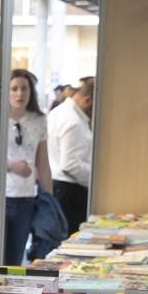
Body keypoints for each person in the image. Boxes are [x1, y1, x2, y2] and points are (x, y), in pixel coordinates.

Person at [0, 69, 53, 269]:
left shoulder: (39, 119)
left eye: (24, 88)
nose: (19, 94)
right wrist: (8, 164)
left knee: (14, 265)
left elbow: (44, 165)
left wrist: (50, 201)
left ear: (32, 92)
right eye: (14, 88)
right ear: (5, 91)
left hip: (26, 200)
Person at [47, 77, 94, 233]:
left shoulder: (59, 112)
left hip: (60, 186)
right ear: (88, 101)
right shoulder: (73, 121)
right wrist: (95, 180)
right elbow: (70, 164)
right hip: (70, 190)